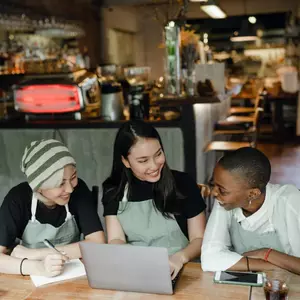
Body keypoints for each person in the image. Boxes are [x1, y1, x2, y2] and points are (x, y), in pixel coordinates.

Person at [102, 120, 206, 279]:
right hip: (135, 270)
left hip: (183, 270)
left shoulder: (183, 183)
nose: (154, 165)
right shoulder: (113, 190)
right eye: (143, 161)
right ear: (125, 161)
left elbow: (199, 239)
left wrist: (179, 258)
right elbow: (116, 239)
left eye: (158, 154)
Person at [0, 139, 105, 276]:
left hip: (72, 273)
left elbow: (98, 243)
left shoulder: (79, 190)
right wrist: (38, 267)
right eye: (60, 183)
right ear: (38, 187)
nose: (70, 189)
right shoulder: (17, 199)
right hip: (31, 277)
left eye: (73, 177)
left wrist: (35, 254)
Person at [201, 147, 300, 274]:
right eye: (213, 184)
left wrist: (265, 253)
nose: (214, 192)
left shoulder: (290, 202)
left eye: (222, 190)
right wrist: (274, 265)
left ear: (253, 194)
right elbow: (209, 258)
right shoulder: (224, 201)